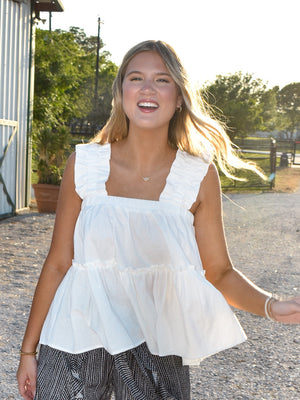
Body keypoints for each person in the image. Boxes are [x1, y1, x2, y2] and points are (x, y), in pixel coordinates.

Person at [17, 40, 300, 400]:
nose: (148, 89)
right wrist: (29, 350)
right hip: (75, 338)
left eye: (162, 80)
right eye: (136, 78)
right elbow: (59, 262)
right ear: (122, 93)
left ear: (179, 96)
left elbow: (219, 272)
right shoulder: (84, 164)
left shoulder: (197, 175)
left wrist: (272, 306)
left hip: (157, 346)